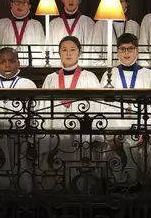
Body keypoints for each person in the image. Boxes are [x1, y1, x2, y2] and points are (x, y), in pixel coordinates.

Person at [40, 36, 101, 192]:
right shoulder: (50, 78)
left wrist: (94, 136)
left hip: (81, 135)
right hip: (56, 133)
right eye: (64, 50)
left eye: (72, 50)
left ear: (79, 53)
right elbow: (44, 109)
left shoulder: (89, 77)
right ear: (59, 53)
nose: (68, 53)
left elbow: (97, 107)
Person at [98, 33, 151, 188]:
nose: (126, 53)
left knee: (144, 165)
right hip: (117, 129)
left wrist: (146, 130)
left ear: (137, 51)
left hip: (142, 130)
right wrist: (112, 133)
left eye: (130, 49)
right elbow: (103, 106)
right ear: (117, 52)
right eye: (122, 49)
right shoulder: (109, 75)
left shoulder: (148, 74)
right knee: (116, 166)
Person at [0, 47, 36, 190]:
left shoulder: (28, 85)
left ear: (18, 63)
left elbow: (34, 113)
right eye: (3, 61)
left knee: (22, 167)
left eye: (11, 61)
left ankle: (23, 203)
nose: (7, 65)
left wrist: (31, 139)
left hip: (20, 137)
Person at [0, 0, 45, 67]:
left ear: (29, 7)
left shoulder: (36, 25)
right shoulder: (1, 24)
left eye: (24, 3)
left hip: (29, 68)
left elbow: (41, 50)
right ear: (11, 4)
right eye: (17, 2)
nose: (20, 5)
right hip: (5, 67)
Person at [46, 0, 95, 66]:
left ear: (79, 0)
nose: (71, 0)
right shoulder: (54, 24)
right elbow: (49, 48)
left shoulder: (87, 22)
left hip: (81, 66)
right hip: (58, 66)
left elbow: (90, 49)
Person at [90, 0, 140, 66]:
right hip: (106, 70)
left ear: (126, 4)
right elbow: (94, 53)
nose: (117, 5)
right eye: (114, 2)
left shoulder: (134, 25)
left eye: (121, 1)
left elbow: (138, 52)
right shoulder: (100, 25)